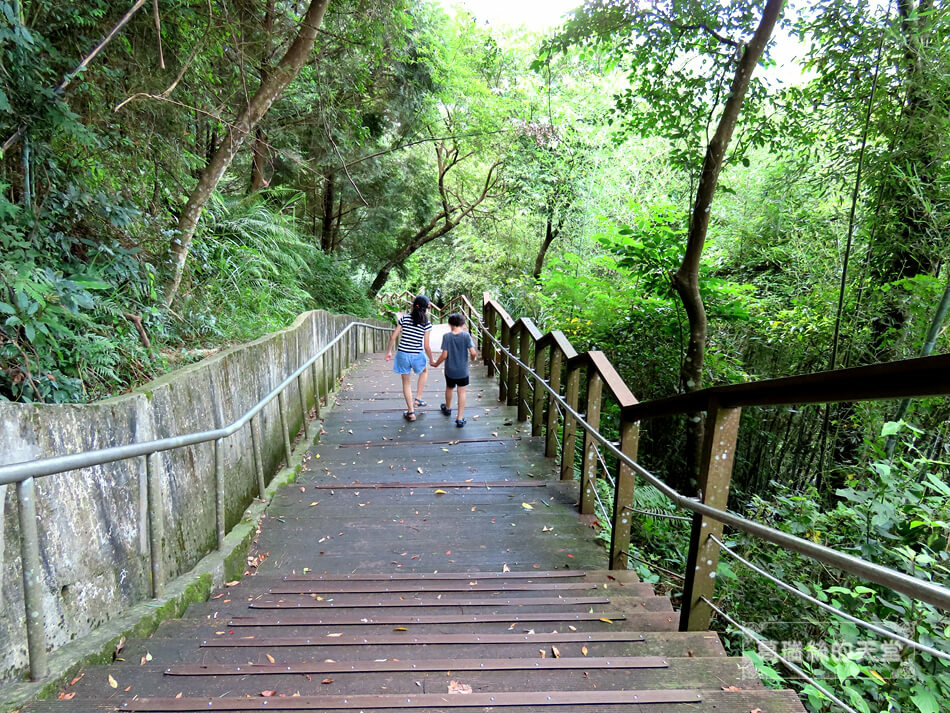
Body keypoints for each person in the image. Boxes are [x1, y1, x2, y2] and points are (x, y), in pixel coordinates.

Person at [385, 295, 433, 421]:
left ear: (414, 305)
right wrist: (432, 359)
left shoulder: (404, 318)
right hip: (417, 354)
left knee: (406, 382)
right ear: (425, 308)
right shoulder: (426, 323)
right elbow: (426, 346)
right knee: (424, 371)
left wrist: (389, 352)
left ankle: (411, 412)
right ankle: (418, 398)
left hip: (403, 354)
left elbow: (393, 337)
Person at [430, 312, 477, 427]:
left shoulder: (447, 336)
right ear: (462, 324)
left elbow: (445, 355)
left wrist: (436, 363)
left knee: (449, 388)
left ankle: (448, 408)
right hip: (463, 370)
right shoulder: (466, 336)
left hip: (450, 370)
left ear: (450, 324)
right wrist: (473, 358)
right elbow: (473, 352)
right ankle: (460, 418)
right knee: (462, 391)